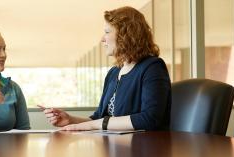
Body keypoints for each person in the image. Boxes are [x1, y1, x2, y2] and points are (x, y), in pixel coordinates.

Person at [39, 6, 171, 131]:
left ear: (126, 35)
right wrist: (70, 120)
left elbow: (150, 118)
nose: (103, 39)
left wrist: (92, 126)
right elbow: (99, 118)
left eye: (107, 32)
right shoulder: (113, 72)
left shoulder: (152, 67)